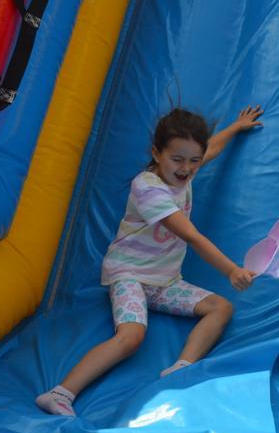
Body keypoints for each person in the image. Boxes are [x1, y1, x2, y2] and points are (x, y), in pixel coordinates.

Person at [35, 105, 265, 416]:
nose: (186, 169)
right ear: (157, 153)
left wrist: (236, 127)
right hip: (129, 274)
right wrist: (232, 270)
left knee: (221, 308)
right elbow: (192, 236)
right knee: (131, 337)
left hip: (164, 281)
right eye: (177, 159)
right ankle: (60, 393)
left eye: (194, 161)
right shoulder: (148, 189)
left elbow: (211, 149)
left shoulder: (185, 170)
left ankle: (181, 368)